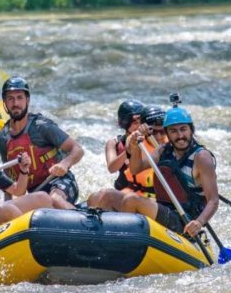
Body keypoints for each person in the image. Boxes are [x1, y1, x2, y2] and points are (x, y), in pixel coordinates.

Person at [120, 102, 219, 238]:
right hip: (164, 208)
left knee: (131, 200)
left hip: (184, 218)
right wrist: (136, 145)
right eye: (173, 131)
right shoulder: (164, 150)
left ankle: (127, 245)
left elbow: (213, 200)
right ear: (167, 133)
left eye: (183, 129)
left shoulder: (201, 157)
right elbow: (135, 169)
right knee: (107, 196)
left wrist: (199, 222)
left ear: (191, 130)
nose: (179, 136)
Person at [0, 77, 84, 210]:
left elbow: (77, 149)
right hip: (35, 194)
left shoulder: (42, 127)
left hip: (60, 182)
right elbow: (9, 178)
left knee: (54, 199)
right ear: (5, 102)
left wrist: (65, 164)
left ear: (27, 100)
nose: (15, 103)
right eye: (10, 98)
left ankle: (79, 222)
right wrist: (7, 205)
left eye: (20, 98)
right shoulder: (2, 138)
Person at [86, 102, 166, 210]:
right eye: (134, 121)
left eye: (140, 121)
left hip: (146, 196)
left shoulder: (155, 141)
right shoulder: (115, 143)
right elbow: (112, 168)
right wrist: (129, 150)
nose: (138, 125)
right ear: (125, 123)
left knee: (111, 197)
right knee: (95, 197)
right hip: (126, 189)